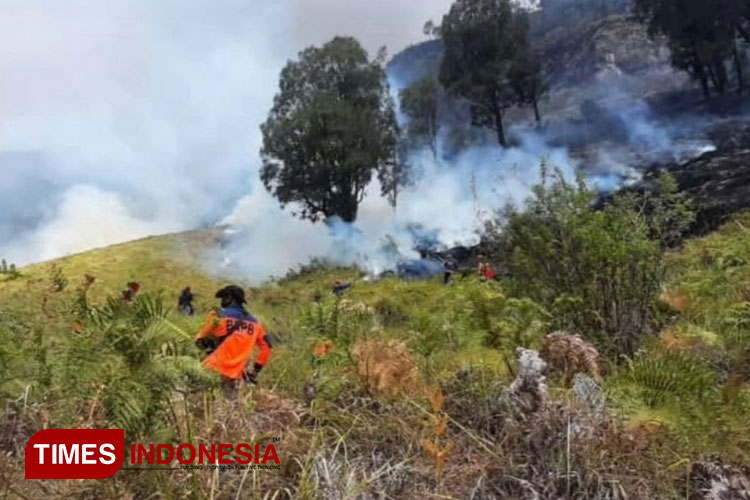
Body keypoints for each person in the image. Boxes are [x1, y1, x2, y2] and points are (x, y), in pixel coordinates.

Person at [194, 285, 272, 395]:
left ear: (229, 297)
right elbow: (267, 348)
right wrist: (255, 370)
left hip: (212, 369)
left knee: (200, 401)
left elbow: (199, 340)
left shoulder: (217, 316)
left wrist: (209, 349)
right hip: (235, 375)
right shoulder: (256, 324)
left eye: (223, 297)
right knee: (229, 405)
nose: (221, 301)